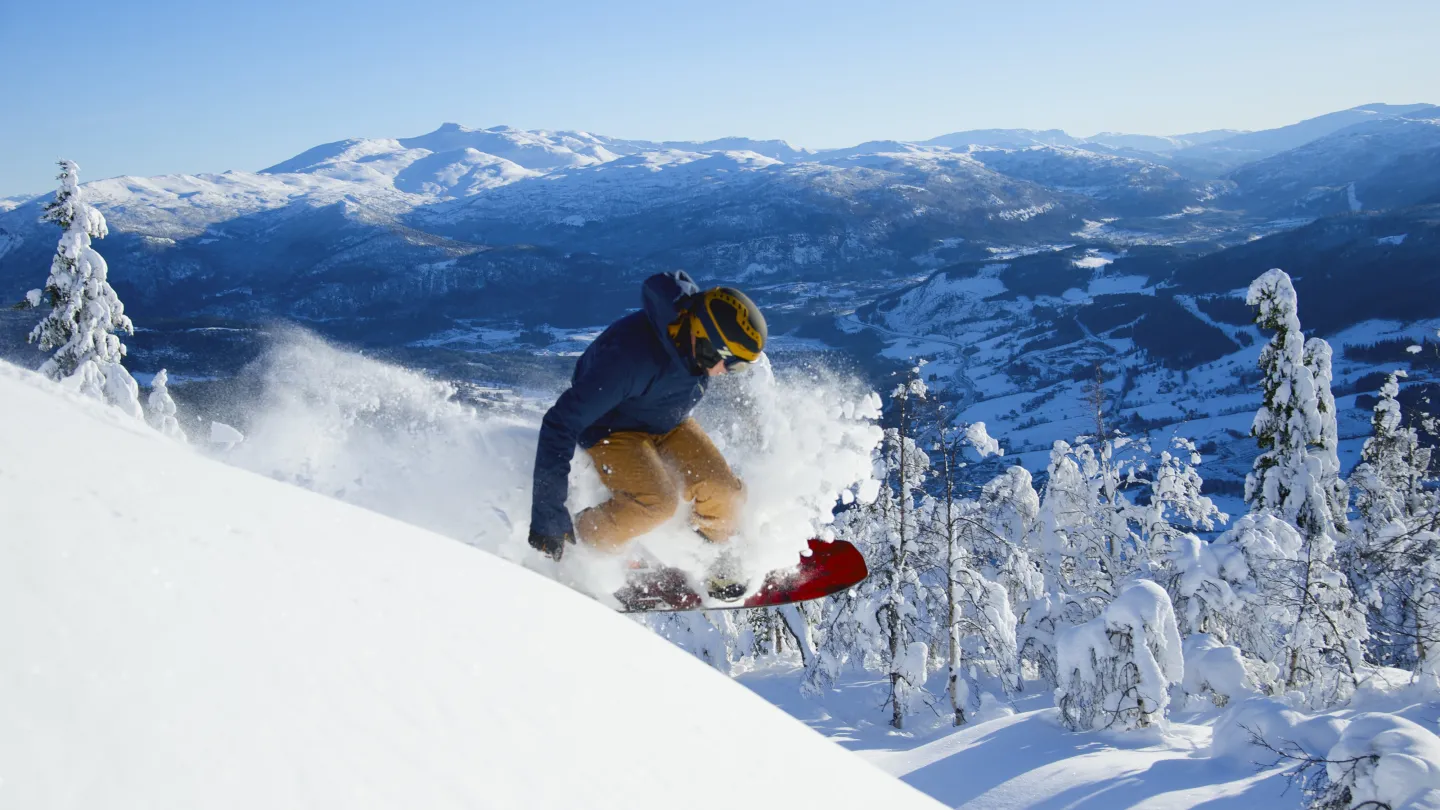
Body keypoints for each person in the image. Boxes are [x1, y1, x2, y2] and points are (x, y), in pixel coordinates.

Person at [527, 270, 767, 598]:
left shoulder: (694, 347)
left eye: (740, 367)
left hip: (666, 421)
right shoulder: (629, 359)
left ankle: (708, 555)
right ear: (703, 337)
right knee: (658, 503)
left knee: (726, 492)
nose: (727, 372)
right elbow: (560, 422)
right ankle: (582, 542)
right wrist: (548, 514)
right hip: (612, 429)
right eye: (730, 363)